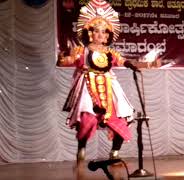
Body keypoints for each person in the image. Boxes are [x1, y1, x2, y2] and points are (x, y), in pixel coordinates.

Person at [57, 0, 139, 166]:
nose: (101, 35)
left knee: (120, 118)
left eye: (105, 32)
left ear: (108, 35)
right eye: (97, 31)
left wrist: (132, 65)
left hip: (109, 87)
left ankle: (114, 153)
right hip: (88, 86)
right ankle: (82, 148)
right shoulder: (82, 50)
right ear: (90, 33)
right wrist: (63, 59)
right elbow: (68, 61)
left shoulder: (110, 52)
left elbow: (121, 60)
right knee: (87, 118)